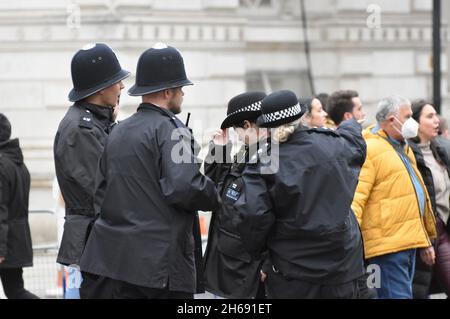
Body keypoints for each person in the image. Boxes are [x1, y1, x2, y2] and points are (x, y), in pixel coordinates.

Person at [79, 43, 219, 299]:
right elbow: (186, 187)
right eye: (181, 89)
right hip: (158, 270)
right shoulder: (173, 130)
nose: (183, 95)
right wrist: (215, 193)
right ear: (168, 92)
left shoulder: (117, 131)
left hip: (113, 263)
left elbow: (100, 193)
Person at [236, 90, 367, 299]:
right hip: (342, 269)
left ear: (267, 127)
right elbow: (356, 144)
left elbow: (253, 217)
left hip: (293, 273)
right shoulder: (333, 144)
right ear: (300, 117)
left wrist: (260, 256)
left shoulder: (263, 163)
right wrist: (353, 123)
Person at [53, 43, 129, 298]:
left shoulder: (92, 122)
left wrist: (113, 123)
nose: (122, 87)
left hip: (102, 239)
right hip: (97, 240)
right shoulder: (80, 129)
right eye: (117, 81)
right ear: (101, 87)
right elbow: (102, 189)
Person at [352, 95, 437, 299]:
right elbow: (357, 199)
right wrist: (351, 247)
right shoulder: (371, 149)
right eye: (408, 116)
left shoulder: (402, 146)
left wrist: (425, 239)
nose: (412, 122)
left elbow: (414, 196)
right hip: (385, 249)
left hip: (404, 244)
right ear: (391, 120)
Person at [203, 91, 268, 299]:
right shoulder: (249, 152)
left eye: (236, 130)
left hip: (246, 270)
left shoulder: (267, 157)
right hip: (231, 267)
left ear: (248, 126)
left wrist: (268, 261)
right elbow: (216, 189)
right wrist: (221, 149)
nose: (236, 136)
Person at [408, 100, 450, 298]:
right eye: (429, 116)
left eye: (436, 116)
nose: (436, 121)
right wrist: (424, 240)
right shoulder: (409, 155)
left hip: (444, 229)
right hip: (428, 234)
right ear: (416, 123)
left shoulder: (441, 150)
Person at [0, 114, 38, 299]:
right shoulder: (18, 164)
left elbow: (1, 210)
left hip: (5, 243)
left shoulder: (2, 165)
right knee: (15, 290)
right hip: (16, 239)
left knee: (15, 291)